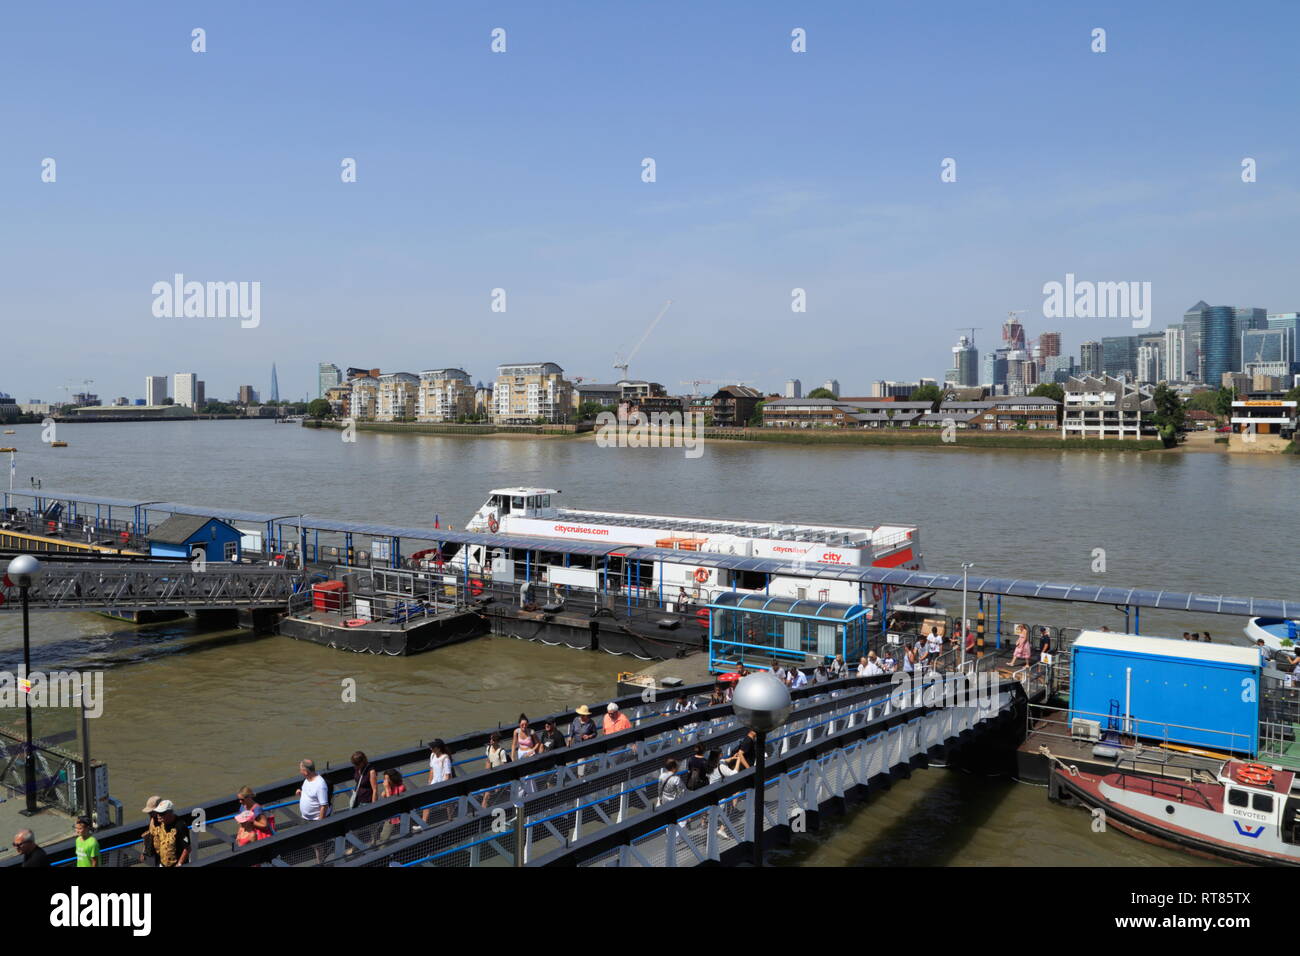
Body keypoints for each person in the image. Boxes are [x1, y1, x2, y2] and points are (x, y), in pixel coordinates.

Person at [150, 800, 191, 867]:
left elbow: (187, 848)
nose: (158, 816)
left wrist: (179, 864)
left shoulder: (180, 826)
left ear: (170, 813)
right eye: (157, 813)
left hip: (176, 864)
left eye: (162, 813)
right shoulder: (159, 822)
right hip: (162, 864)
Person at [378, 768, 407, 844]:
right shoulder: (390, 787)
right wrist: (386, 788)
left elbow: (390, 803)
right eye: (384, 779)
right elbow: (382, 795)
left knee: (384, 839)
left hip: (398, 818)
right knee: (384, 838)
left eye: (386, 779)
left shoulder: (401, 788)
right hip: (389, 817)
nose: (384, 781)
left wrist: (387, 788)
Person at [297, 759, 331, 823]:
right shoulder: (307, 779)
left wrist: (319, 824)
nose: (300, 772)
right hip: (305, 819)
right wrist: (301, 793)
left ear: (306, 772)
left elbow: (324, 806)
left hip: (315, 821)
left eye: (301, 770)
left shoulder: (320, 785)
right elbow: (311, 794)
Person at [139, 795, 162, 866]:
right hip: (157, 855)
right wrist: (143, 852)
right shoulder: (152, 820)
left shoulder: (167, 821)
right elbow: (149, 835)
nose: (149, 814)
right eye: (149, 812)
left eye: (151, 812)